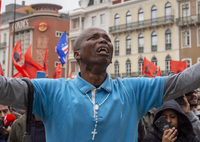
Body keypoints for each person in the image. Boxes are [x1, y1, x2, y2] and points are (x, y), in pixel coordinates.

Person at [1, 27, 200, 142]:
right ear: (76, 54)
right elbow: (5, 89)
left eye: (107, 39)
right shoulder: (50, 91)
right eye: (93, 38)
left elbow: (182, 82)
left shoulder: (133, 90)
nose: (103, 41)